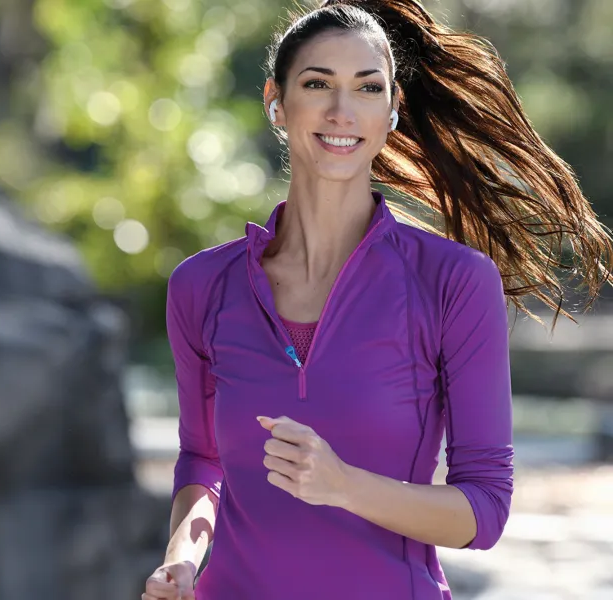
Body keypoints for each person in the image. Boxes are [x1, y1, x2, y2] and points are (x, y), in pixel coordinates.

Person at [143, 1, 613, 599]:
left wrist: (343, 485)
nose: (342, 110)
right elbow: (203, 461)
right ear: (276, 102)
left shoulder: (453, 281)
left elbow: (485, 509)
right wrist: (182, 557)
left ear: (392, 111)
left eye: (367, 88)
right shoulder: (202, 285)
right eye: (318, 84)